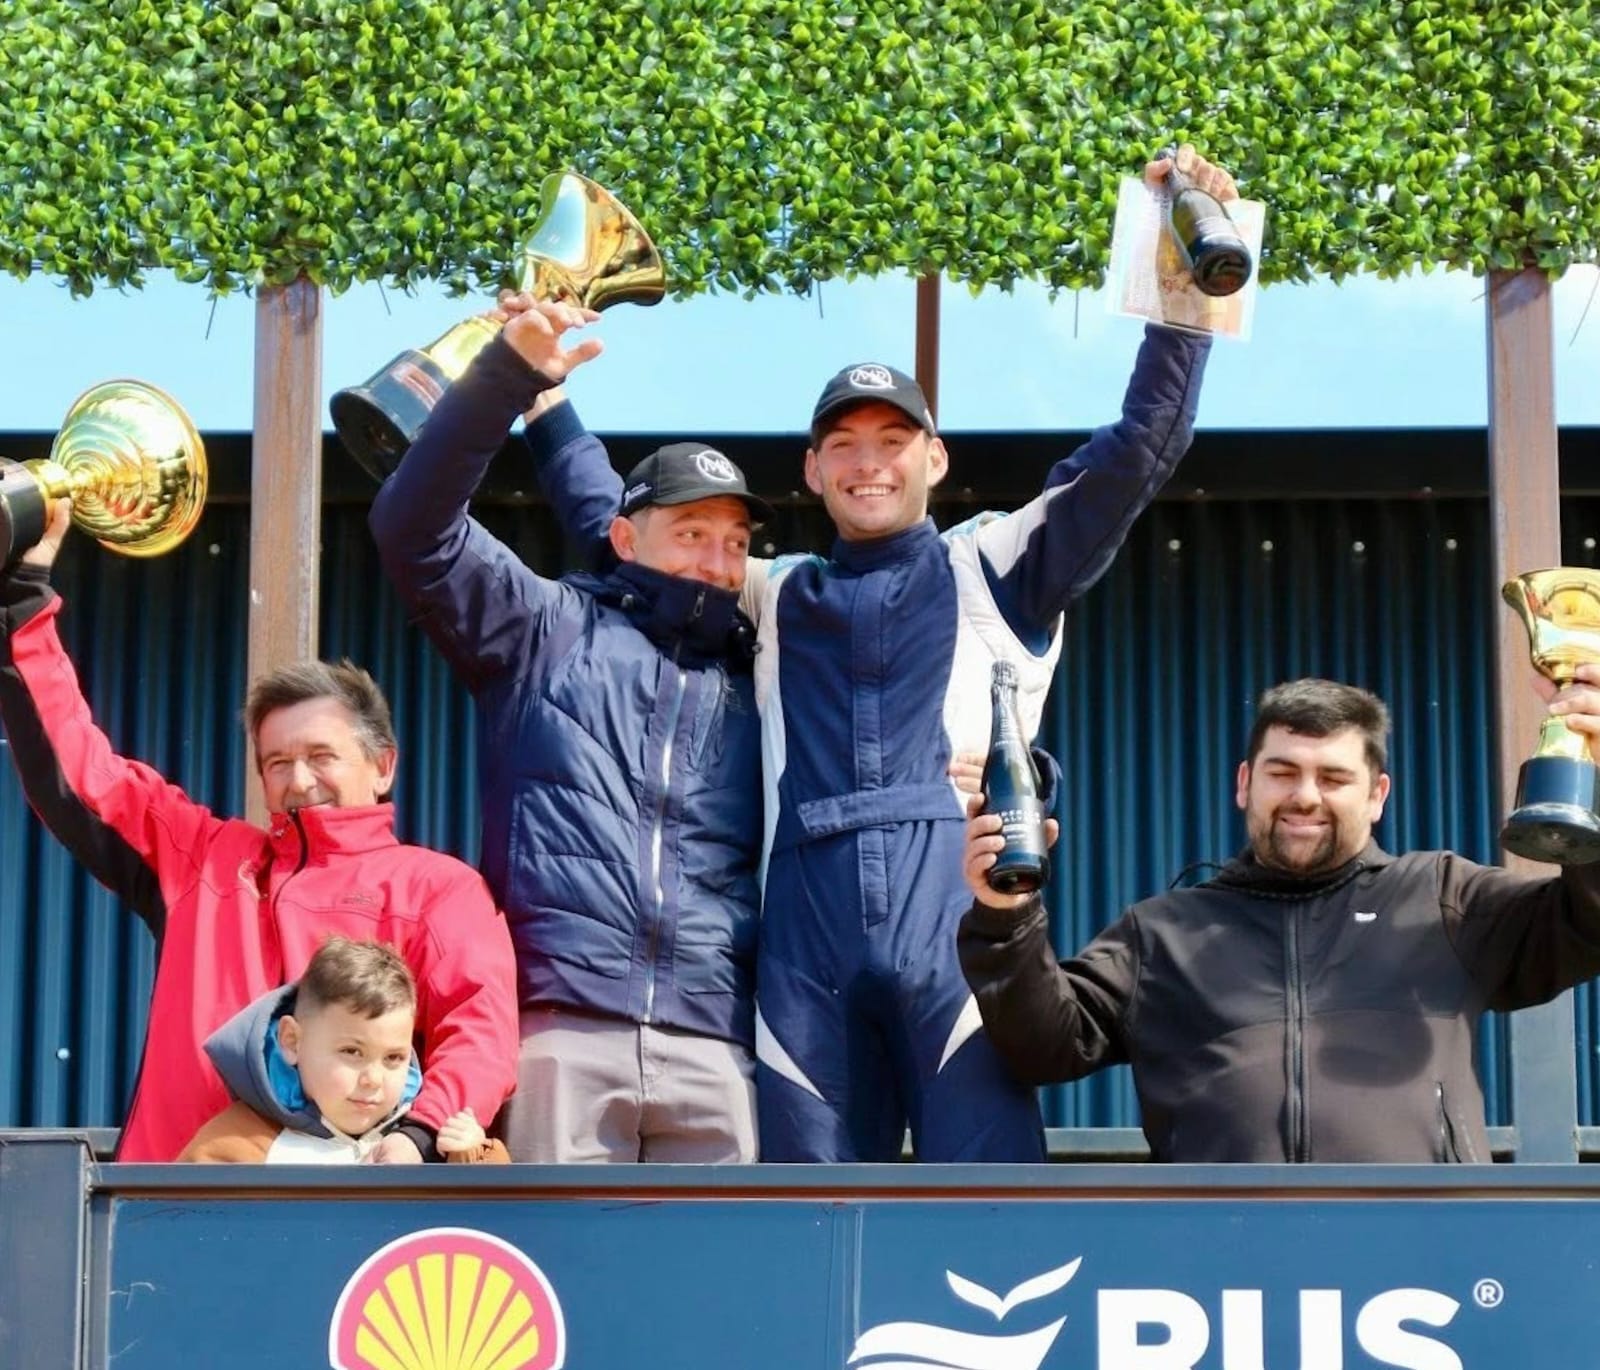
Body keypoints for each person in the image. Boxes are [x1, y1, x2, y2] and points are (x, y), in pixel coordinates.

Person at [524, 146, 1233, 1160]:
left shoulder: (994, 563)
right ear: (812, 469)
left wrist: (1187, 281)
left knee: (985, 1215)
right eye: (843, 442)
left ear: (934, 458)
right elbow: (625, 533)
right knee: (803, 1227)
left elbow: (1138, 452)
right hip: (800, 953)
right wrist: (543, 400)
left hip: (956, 930)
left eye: (892, 439)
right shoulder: (771, 592)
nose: (868, 460)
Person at [368, 301, 775, 1163]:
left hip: (716, 1041)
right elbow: (414, 528)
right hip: (560, 1028)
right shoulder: (544, 628)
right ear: (623, 540)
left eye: (734, 543)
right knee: (559, 1291)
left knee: (721, 1300)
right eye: (692, 532)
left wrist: (554, 418)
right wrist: (509, 377)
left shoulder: (760, 668)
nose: (716, 560)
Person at [0, 503, 520, 1163]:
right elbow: (80, 769)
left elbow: (481, 1030)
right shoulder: (202, 860)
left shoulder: (437, 888)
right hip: (170, 1204)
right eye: (278, 762)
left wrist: (419, 1135)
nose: (300, 779)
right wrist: (23, 595)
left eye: (321, 755)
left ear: (382, 765)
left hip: (351, 1222)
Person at [958, 676, 1600, 1162]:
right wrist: (1005, 910)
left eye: (1334, 777)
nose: (1305, 796)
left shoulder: (1443, 898)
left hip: (1426, 1254)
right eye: (1283, 772)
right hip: (1220, 1269)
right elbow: (1043, 1045)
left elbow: (1587, 924)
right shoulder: (1163, 933)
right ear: (1245, 783)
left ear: (1377, 795)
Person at [181, 936, 508, 1163]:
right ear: (292, 1041)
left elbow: (498, 1236)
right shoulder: (234, 1147)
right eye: (352, 1052)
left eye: (394, 1058)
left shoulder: (430, 1144)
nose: (373, 1079)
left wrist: (471, 1157)